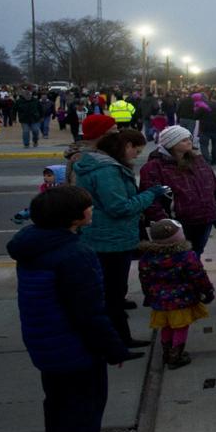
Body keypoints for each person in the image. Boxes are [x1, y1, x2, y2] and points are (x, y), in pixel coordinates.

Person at [8, 186, 143, 432]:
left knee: (58, 407)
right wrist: (114, 350)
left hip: (47, 346)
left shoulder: (32, 246)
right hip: (76, 351)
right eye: (88, 206)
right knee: (84, 413)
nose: (92, 209)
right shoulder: (75, 255)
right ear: (74, 217)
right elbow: (89, 313)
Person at [73, 127, 165, 346]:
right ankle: (119, 340)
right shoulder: (108, 171)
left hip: (103, 236)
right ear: (127, 146)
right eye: (136, 151)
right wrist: (150, 195)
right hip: (111, 238)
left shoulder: (98, 165)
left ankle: (116, 337)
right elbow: (119, 207)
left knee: (110, 291)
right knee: (113, 293)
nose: (137, 156)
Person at [138, 124, 216, 259]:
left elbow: (215, 186)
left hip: (205, 218)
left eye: (189, 138)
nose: (189, 142)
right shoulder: (154, 167)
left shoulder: (198, 160)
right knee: (177, 258)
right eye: (183, 140)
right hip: (178, 223)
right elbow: (151, 199)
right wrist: (164, 222)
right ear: (171, 144)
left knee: (196, 252)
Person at [138, 218, 216, 368]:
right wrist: (207, 291)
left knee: (166, 325)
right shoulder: (186, 256)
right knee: (180, 326)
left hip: (160, 300)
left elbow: (144, 278)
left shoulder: (147, 257)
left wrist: (148, 295)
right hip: (182, 299)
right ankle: (176, 356)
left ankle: (166, 352)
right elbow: (198, 275)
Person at [195, 94, 216, 165]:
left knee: (204, 145)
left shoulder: (204, 106)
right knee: (215, 146)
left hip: (205, 129)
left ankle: (207, 159)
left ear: (211, 98)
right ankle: (214, 160)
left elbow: (196, 116)